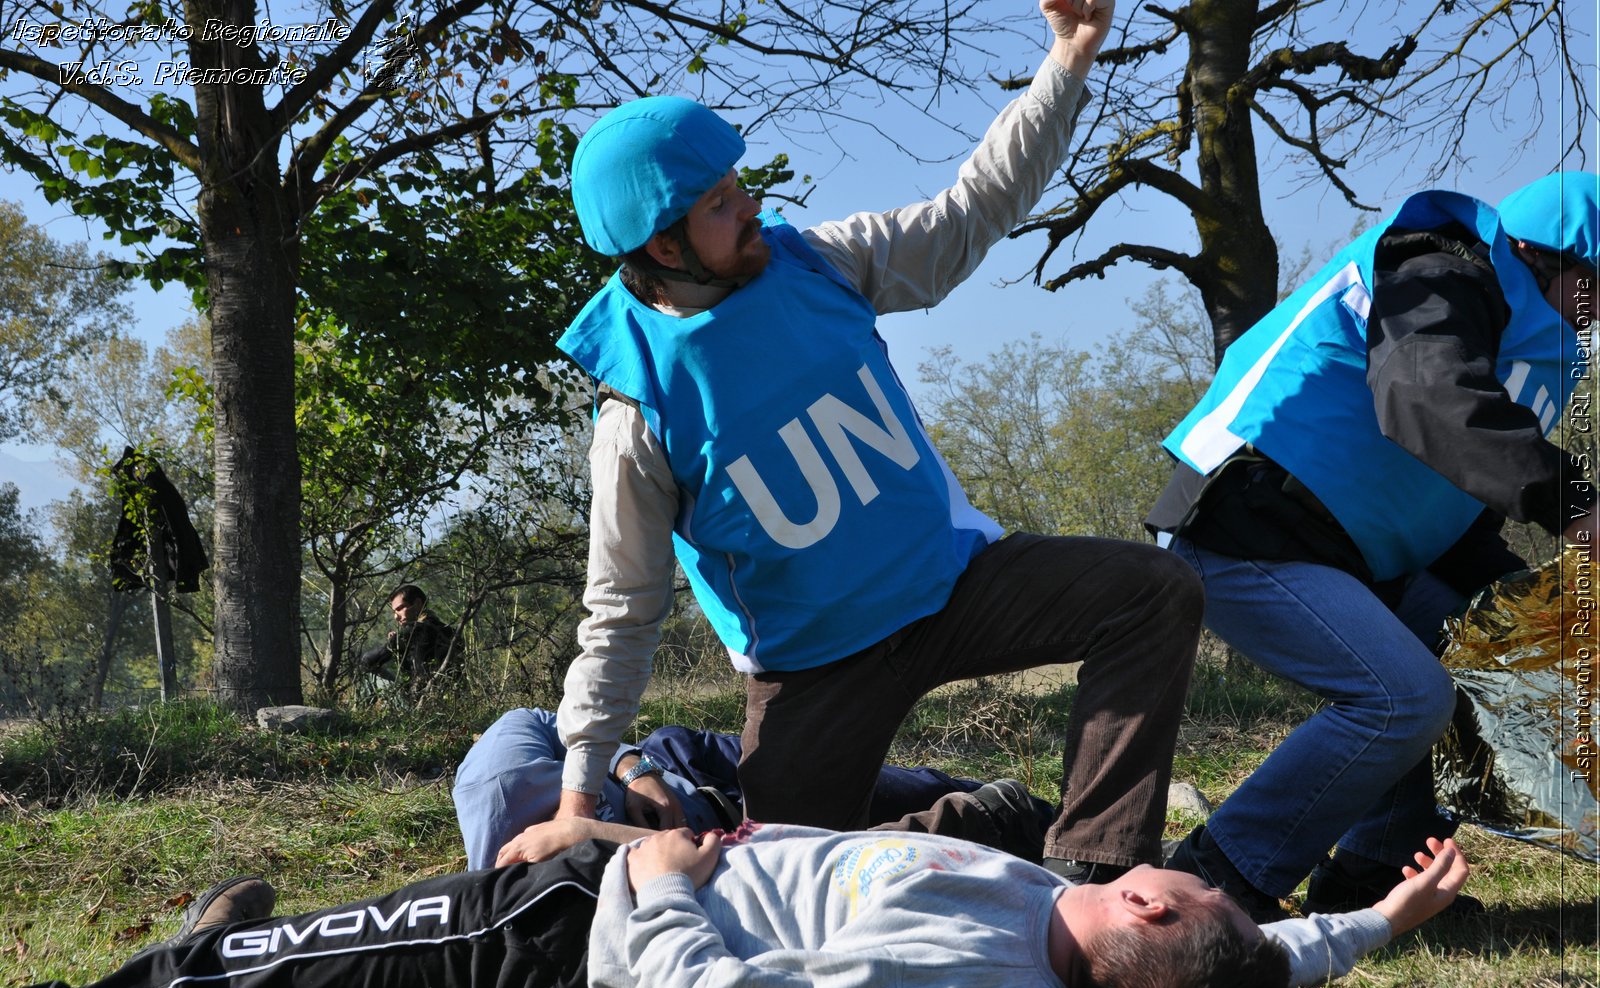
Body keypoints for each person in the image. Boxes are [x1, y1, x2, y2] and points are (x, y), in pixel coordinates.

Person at [551, 0, 1203, 888]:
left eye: (738, 185)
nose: (750, 207)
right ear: (664, 245)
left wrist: (1068, 61)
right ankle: (963, 829)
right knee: (778, 885)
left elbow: (970, 211)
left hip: (954, 586)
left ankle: (1096, 877)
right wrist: (579, 792)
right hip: (815, 670)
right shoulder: (636, 408)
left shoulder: (820, 259)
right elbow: (622, 607)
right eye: (719, 203)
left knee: (1152, 592)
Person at [0, 819, 1472, 988]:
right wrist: (1380, 920)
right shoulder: (1075, 925)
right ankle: (186, 957)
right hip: (587, 894)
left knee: (236, 984)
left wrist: (654, 872)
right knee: (267, 967)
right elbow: (1266, 962)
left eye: (1211, 887)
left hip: (547, 941)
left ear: (1152, 906)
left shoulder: (964, 983)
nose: (1216, 878)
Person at [1150, 172, 1598, 920]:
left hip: (1344, 548)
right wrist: (1578, 507)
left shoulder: (1519, 327)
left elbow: (1449, 507)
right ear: (1559, 261)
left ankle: (1371, 876)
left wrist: (1550, 622)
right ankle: (1218, 878)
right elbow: (1427, 399)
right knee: (1402, 697)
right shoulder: (1440, 273)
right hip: (1245, 524)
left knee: (1497, 646)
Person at [455, 706, 1046, 871]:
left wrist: (633, 769)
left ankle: (1039, 815)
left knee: (899, 788)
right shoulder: (540, 888)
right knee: (875, 841)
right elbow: (688, 852)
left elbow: (552, 718)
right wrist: (589, 830)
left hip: (691, 765)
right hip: (737, 837)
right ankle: (1007, 823)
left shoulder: (499, 777)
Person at [359, 583, 460, 685]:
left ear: (417, 604)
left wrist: (393, 643)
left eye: (400, 609)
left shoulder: (413, 631)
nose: (396, 617)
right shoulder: (449, 630)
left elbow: (367, 662)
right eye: (394, 612)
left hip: (422, 695)